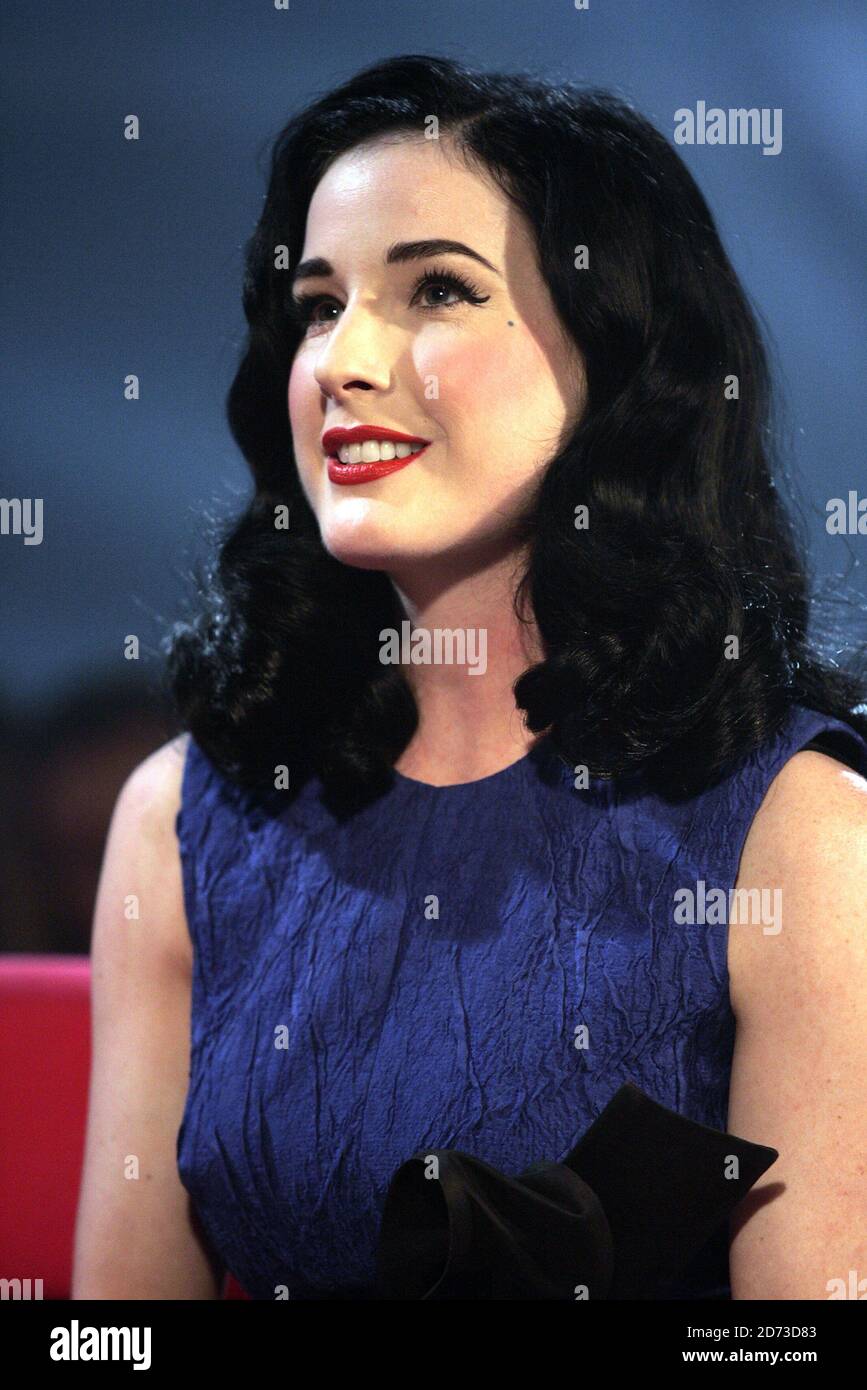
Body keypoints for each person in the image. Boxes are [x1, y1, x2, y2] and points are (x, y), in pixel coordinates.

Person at [72, 55, 867, 1301]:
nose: (343, 360)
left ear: (619, 361)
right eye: (319, 305)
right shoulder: (180, 820)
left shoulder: (804, 836)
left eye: (436, 289)